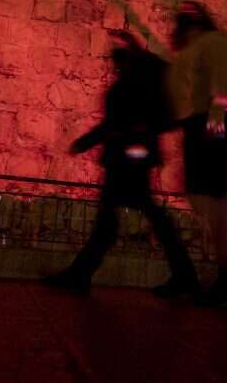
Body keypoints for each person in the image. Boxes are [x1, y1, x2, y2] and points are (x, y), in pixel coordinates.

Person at [43, 31, 198, 295]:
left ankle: (80, 275)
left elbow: (113, 125)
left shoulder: (133, 88)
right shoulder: (132, 87)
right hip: (128, 160)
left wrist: (86, 142)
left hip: (126, 161)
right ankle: (183, 275)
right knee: (127, 220)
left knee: (124, 220)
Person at [165, 1, 227, 308]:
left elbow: (222, 76)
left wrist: (216, 114)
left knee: (212, 196)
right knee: (203, 194)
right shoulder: (191, 52)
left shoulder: (213, 42)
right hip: (200, 121)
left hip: (216, 119)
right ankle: (226, 276)